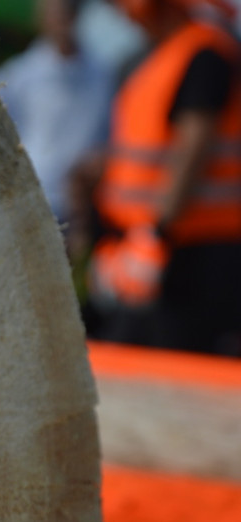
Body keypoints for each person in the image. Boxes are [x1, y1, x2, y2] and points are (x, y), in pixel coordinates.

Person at [86, 0, 241, 354]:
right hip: (150, 249)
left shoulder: (204, 53)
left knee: (182, 368)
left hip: (194, 256)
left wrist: (155, 236)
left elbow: (193, 148)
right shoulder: (161, 57)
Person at [0, 0, 113, 227]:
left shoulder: (101, 73)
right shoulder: (22, 74)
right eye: (55, 14)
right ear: (41, 19)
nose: (62, 21)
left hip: (83, 204)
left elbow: (107, 133)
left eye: (67, 12)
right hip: (33, 197)